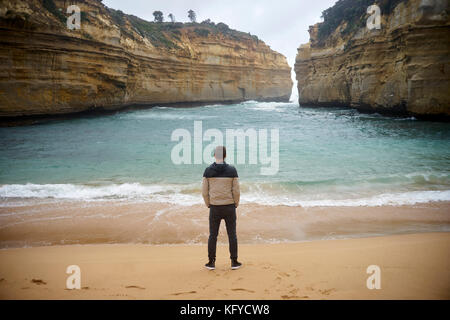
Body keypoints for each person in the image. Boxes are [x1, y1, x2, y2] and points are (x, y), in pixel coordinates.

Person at [202, 146, 242, 270]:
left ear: (215, 155)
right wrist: (236, 203)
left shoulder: (208, 170)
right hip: (229, 206)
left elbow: (204, 192)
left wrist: (208, 203)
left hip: (215, 207)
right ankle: (234, 262)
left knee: (213, 235)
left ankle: (211, 262)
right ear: (225, 156)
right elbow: (236, 191)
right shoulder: (232, 170)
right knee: (232, 235)